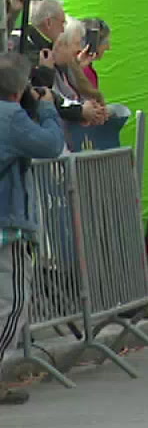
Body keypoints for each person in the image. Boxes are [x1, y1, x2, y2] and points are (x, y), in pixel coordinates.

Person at [0, 53, 70, 404]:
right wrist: (45, 109)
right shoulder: (10, 117)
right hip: (7, 226)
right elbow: (50, 145)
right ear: (18, 90)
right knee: (14, 304)